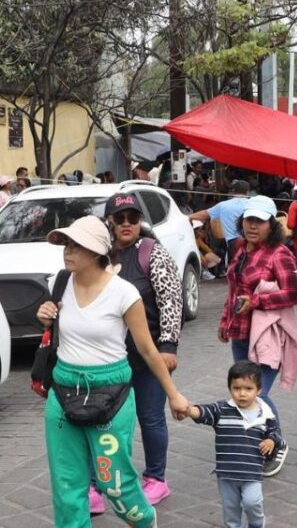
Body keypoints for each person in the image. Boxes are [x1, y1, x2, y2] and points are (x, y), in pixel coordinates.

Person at [34, 216, 190, 528]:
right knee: (67, 484)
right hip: (63, 390)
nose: (68, 250)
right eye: (66, 243)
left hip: (112, 392)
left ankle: (144, 520)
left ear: (96, 251)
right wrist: (47, 319)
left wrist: (174, 395)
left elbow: (147, 349)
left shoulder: (124, 293)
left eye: (76, 244)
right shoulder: (60, 282)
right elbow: (59, 331)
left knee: (114, 481)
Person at [84, 192, 185, 511]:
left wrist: (168, 345)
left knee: (150, 417)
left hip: (148, 354)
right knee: (103, 420)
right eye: (119, 218)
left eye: (133, 218)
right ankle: (99, 482)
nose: (126, 224)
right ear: (109, 222)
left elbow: (171, 299)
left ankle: (156, 478)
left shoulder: (151, 252)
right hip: (107, 358)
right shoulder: (100, 255)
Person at [218, 195, 297, 476]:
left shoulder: (280, 253)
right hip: (241, 332)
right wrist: (225, 321)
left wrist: (257, 301)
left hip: (265, 333)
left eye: (259, 221)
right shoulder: (241, 249)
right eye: (248, 220)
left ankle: (277, 442)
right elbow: (233, 290)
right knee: (244, 388)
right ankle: (257, 440)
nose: (252, 226)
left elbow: (294, 293)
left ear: (270, 224)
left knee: (258, 392)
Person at [183, 361, 283, 528]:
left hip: (252, 472)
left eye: (248, 389)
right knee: (230, 509)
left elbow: (276, 433)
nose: (242, 394)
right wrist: (189, 410)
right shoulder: (222, 409)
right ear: (230, 388)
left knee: (253, 503)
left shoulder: (266, 414)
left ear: (258, 390)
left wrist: (271, 440)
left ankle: (257, 524)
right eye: (236, 388)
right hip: (227, 473)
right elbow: (204, 413)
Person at [190, 180, 252, 246]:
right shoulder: (253, 205)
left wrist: (189, 216)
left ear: (233, 192)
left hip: (233, 245)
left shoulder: (223, 205)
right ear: (248, 192)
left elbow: (204, 214)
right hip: (252, 243)